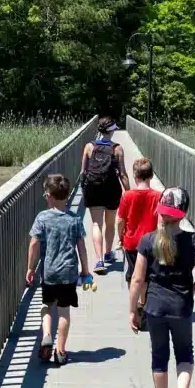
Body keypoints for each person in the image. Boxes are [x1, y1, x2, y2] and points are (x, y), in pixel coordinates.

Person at [129, 187, 195, 388]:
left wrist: (134, 309)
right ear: (183, 214)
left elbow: (137, 280)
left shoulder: (147, 241)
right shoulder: (192, 240)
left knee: (159, 357)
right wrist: (190, 292)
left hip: (154, 308)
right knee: (185, 355)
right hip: (181, 307)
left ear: (160, 211)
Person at [27, 173, 90, 366]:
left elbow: (34, 243)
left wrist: (30, 268)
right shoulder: (74, 219)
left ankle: (46, 335)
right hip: (68, 273)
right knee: (64, 312)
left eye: (46, 194)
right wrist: (85, 270)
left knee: (47, 305)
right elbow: (81, 246)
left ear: (50, 197)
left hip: (49, 272)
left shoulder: (42, 218)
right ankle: (60, 351)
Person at [80, 116, 129, 275]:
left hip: (93, 188)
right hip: (111, 188)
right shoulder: (117, 148)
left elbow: (83, 172)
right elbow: (123, 174)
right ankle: (108, 253)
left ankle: (99, 260)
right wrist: (128, 193)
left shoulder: (89, 147)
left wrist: (84, 189)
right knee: (110, 223)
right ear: (112, 130)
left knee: (96, 224)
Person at [117, 158, 161, 286]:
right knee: (148, 276)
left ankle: (134, 303)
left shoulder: (127, 196)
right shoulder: (159, 196)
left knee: (133, 275)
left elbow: (120, 221)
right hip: (151, 242)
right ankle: (143, 302)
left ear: (134, 175)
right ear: (152, 175)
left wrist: (120, 236)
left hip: (131, 242)